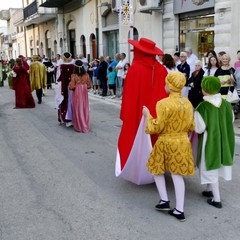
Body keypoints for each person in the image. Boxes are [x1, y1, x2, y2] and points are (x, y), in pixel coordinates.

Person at [142, 71, 195, 222]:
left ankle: (164, 200)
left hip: (166, 141)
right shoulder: (188, 103)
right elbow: (191, 125)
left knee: (156, 168)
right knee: (177, 174)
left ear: (170, 86)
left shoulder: (163, 103)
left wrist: (147, 115)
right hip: (183, 142)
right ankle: (179, 209)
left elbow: (156, 127)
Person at [116, 38, 168, 185]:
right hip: (157, 113)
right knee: (156, 140)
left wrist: (127, 113)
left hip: (138, 113)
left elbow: (129, 96)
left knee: (136, 141)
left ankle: (139, 168)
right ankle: (159, 168)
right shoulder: (162, 69)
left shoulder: (135, 68)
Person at [194, 76, 235, 208]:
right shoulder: (227, 104)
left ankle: (216, 199)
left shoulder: (202, 107)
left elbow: (199, 129)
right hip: (224, 140)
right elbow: (232, 120)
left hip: (210, 141)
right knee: (218, 164)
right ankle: (208, 189)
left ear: (204, 90)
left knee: (210, 165)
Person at [68, 60, 92, 132]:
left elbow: (71, 86)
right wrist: (84, 86)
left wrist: (72, 87)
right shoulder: (86, 74)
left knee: (78, 107)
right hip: (84, 90)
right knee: (84, 107)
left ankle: (79, 125)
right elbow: (89, 85)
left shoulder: (74, 75)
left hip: (77, 91)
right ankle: (85, 124)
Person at [57, 52, 75, 125]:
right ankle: (72, 119)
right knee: (72, 102)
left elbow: (58, 78)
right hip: (72, 87)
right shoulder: (73, 66)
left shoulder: (60, 66)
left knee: (64, 101)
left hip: (63, 86)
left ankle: (65, 119)